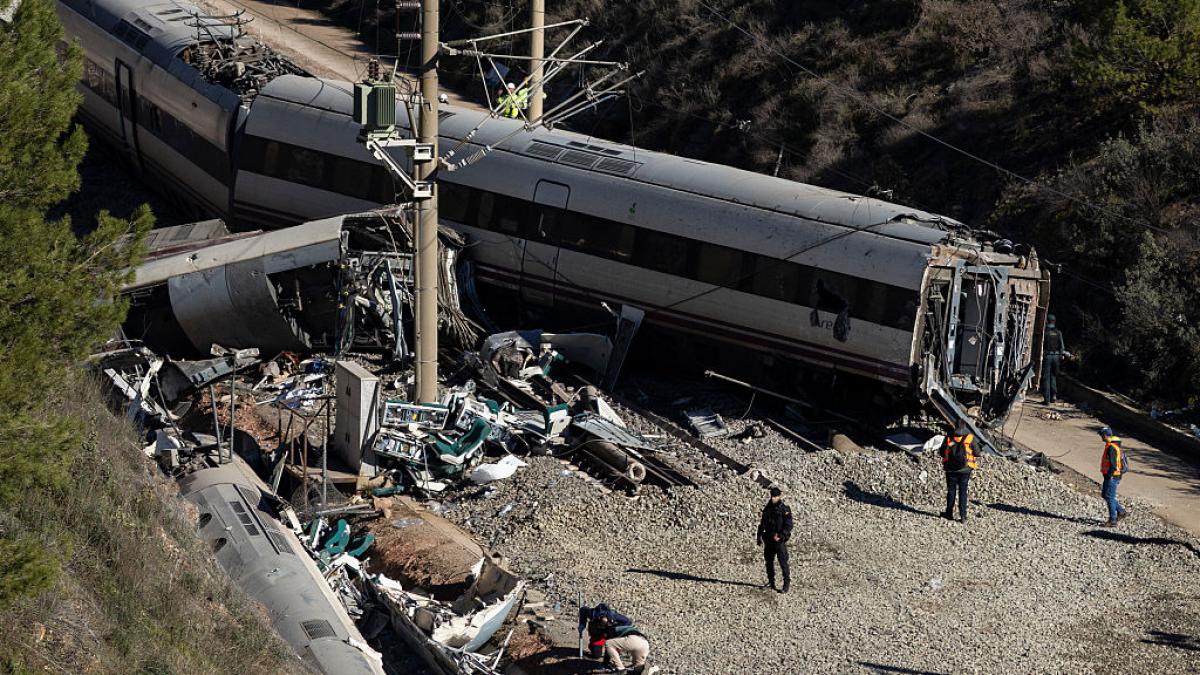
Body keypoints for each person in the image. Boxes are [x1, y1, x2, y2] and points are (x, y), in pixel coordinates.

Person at [578, 604, 658, 674]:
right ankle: (652, 669)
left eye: (601, 619)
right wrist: (582, 624)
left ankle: (620, 669)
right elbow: (583, 610)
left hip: (630, 639)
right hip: (644, 643)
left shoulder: (614, 620)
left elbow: (609, 645)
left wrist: (605, 663)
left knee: (609, 644)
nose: (599, 621)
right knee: (637, 669)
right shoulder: (592, 613)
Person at [756, 486, 792, 593]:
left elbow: (788, 526)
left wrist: (781, 536)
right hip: (768, 539)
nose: (773, 498)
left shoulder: (784, 509)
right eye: (772, 496)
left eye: (775, 496)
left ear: (779, 496)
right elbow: (762, 523)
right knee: (769, 562)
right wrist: (759, 536)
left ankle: (786, 584)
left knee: (783, 562)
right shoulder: (768, 508)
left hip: (779, 541)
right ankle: (771, 582)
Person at [941, 421, 976, 522]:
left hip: (950, 469)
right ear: (965, 427)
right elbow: (977, 452)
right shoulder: (970, 438)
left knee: (951, 491)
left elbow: (942, 453)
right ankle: (963, 516)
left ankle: (949, 513)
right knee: (963, 491)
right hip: (965, 469)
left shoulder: (948, 438)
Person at [1099, 427, 1129, 527]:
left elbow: (1113, 464)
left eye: (1101, 435)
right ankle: (1121, 511)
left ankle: (1112, 520)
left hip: (1112, 476)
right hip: (1112, 476)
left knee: (1110, 498)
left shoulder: (1111, 447)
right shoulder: (1113, 446)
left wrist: (1109, 475)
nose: (1101, 437)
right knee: (1105, 495)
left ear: (1105, 435)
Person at [1042, 314, 1066, 404]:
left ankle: (1047, 399)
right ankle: (1054, 395)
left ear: (1047, 321)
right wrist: (1060, 356)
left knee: (1046, 377)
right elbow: (1062, 347)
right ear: (1054, 321)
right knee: (1053, 376)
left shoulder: (1045, 332)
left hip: (1048, 356)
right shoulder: (1058, 332)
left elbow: (1041, 346)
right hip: (1056, 357)